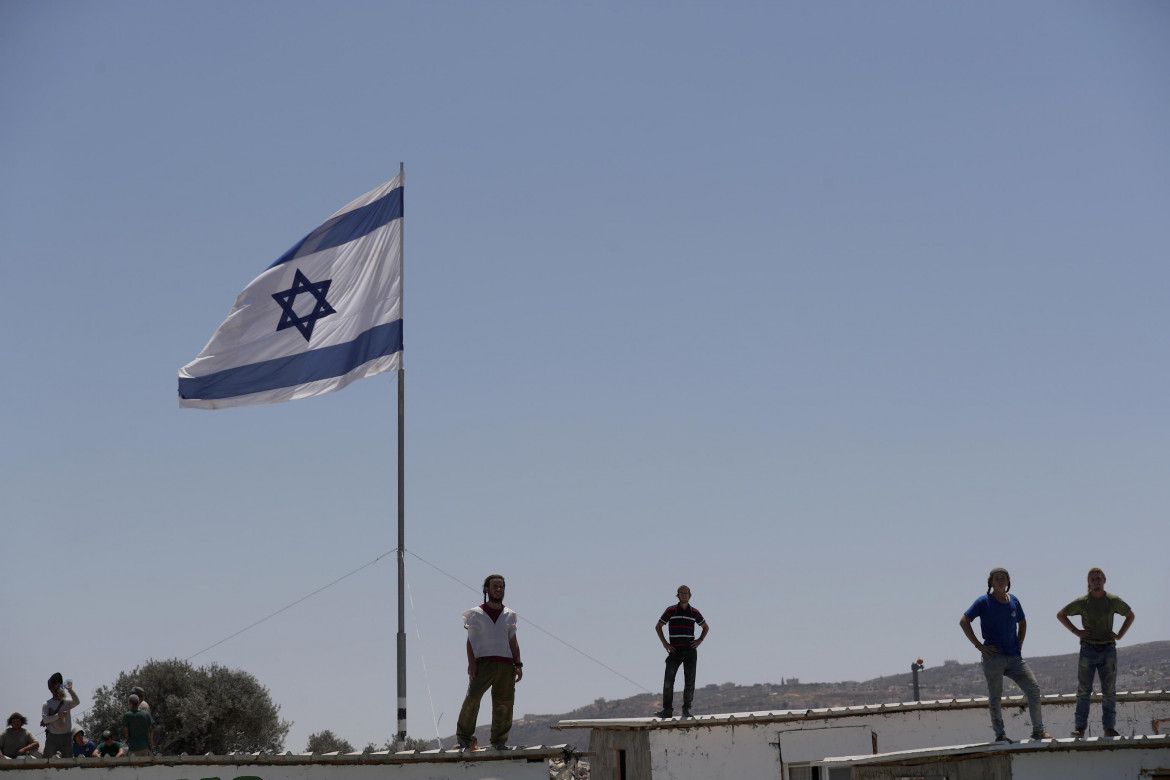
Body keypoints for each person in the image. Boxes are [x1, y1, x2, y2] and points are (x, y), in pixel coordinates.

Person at [959, 567, 1050, 742]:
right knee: (995, 696)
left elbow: (1022, 622)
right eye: (996, 578)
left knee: (1033, 689)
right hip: (994, 657)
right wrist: (979, 645)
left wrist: (1020, 643)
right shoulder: (983, 601)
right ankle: (1000, 734)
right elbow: (964, 621)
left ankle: (1038, 730)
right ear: (991, 582)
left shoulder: (1014, 600)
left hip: (1014, 657)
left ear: (1008, 581)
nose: (1000, 581)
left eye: (1003, 578)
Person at [1057, 567, 1136, 738]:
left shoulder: (1112, 600)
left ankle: (1109, 727)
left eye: (1099, 578)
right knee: (1084, 690)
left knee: (1109, 691)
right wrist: (1075, 631)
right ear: (1089, 582)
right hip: (1088, 649)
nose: (1096, 581)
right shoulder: (1083, 602)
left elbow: (1130, 615)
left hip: (1108, 648)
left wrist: (1120, 635)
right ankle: (1080, 727)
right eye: (1093, 579)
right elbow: (1061, 614)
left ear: (1104, 580)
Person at [455, 574, 522, 751]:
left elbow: (513, 640)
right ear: (486, 589)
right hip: (483, 662)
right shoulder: (476, 614)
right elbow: (470, 641)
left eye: (501, 586)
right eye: (495, 586)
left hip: (506, 664)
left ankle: (499, 741)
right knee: (473, 698)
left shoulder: (509, 615)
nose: (499, 589)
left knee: (504, 702)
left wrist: (519, 664)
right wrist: (471, 664)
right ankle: (464, 738)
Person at [654, 585, 710, 719]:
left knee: (689, 681)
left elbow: (705, 627)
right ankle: (667, 710)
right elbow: (658, 626)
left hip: (690, 650)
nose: (684, 595)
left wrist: (700, 640)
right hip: (675, 651)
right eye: (681, 593)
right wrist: (665, 643)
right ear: (677, 595)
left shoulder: (695, 612)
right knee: (668, 680)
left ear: (690, 595)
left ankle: (686, 709)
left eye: (686, 593)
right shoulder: (671, 610)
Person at [41, 673, 80, 758]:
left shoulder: (66, 702)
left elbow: (77, 702)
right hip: (52, 736)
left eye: (59, 686)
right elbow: (45, 720)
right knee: (46, 760)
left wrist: (70, 690)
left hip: (67, 736)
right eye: (55, 686)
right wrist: (59, 715)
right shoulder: (47, 704)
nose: (58, 688)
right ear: (51, 690)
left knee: (68, 761)